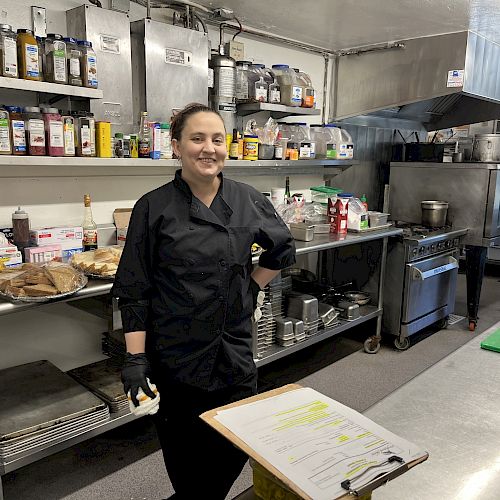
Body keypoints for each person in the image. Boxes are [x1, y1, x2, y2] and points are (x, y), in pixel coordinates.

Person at [112, 103, 296, 499]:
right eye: (197, 138)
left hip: (233, 353)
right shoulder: (153, 207)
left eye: (217, 139)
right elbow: (134, 288)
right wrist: (135, 359)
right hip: (176, 357)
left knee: (233, 449)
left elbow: (282, 250)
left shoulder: (247, 199)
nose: (208, 148)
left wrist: (252, 286)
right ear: (176, 146)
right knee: (185, 460)